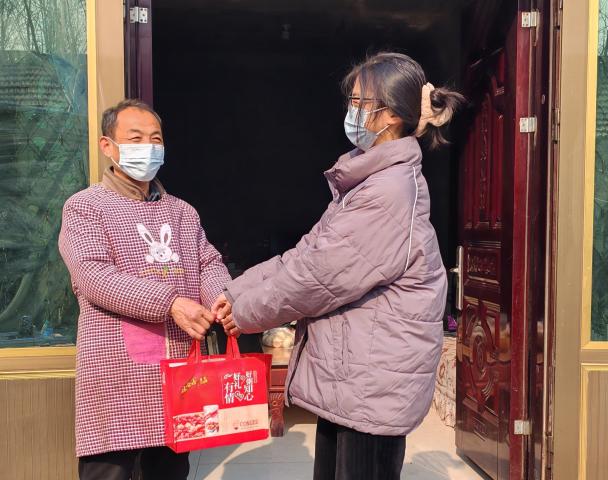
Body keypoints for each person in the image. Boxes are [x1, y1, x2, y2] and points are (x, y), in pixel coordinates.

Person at [213, 52, 464, 480]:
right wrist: (235, 292)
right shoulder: (367, 183)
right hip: (354, 377)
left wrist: (245, 313)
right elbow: (307, 253)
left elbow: (317, 277)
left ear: (390, 115)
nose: (352, 110)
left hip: (373, 382)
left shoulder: (388, 191)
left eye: (361, 101)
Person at [59, 99, 231, 480]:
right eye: (135, 139)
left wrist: (223, 297)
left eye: (156, 139)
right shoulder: (85, 208)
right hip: (117, 376)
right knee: (111, 472)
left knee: (169, 470)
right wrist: (171, 303)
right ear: (108, 146)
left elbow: (207, 263)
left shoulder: (183, 212)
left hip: (179, 375)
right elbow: (93, 275)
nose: (148, 147)